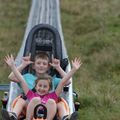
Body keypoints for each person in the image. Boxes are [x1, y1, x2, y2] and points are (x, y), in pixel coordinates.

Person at [4, 54, 81, 120]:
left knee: (53, 102)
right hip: (32, 114)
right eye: (40, 86)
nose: (42, 88)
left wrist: (73, 70)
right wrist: (12, 66)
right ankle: (16, 116)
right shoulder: (31, 94)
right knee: (35, 99)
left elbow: (63, 82)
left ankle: (65, 118)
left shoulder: (52, 96)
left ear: (49, 88)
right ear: (36, 86)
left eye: (45, 87)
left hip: (48, 114)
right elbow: (21, 80)